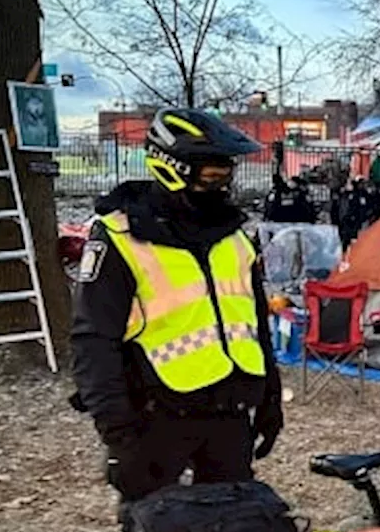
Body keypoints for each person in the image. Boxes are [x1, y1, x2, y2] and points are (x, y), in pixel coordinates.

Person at [71, 107, 283, 510]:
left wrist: (269, 397)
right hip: (156, 422)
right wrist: (119, 440)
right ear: (173, 168)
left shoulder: (235, 239)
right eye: (210, 175)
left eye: (227, 174)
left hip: (229, 418)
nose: (222, 184)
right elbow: (93, 343)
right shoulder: (120, 238)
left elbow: (256, 324)